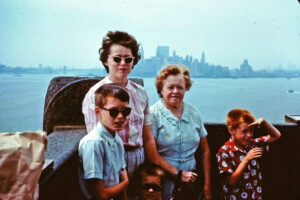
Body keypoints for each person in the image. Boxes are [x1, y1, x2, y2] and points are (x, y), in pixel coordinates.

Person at [82, 31, 177, 196]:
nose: (123, 63)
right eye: (117, 59)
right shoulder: (94, 95)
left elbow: (147, 137)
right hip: (111, 162)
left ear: (134, 61)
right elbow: (97, 139)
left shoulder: (140, 93)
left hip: (138, 160)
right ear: (106, 60)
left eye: (128, 59)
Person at [150, 65, 212, 200]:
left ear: (186, 88)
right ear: (161, 88)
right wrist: (178, 174)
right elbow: (152, 154)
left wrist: (207, 185)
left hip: (191, 181)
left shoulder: (194, 113)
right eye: (170, 87)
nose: (175, 91)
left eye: (180, 87)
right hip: (163, 181)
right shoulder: (153, 114)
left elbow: (205, 150)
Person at [78, 83, 130, 200]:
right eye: (114, 111)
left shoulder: (117, 139)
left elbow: (120, 176)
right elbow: (100, 195)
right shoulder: (94, 143)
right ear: (98, 112)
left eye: (125, 111)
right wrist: (126, 182)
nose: (121, 116)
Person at [216, 108, 281, 200]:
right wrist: (246, 159)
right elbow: (231, 181)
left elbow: (276, 135)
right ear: (231, 130)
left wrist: (264, 122)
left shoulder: (252, 144)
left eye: (251, 130)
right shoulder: (224, 152)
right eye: (244, 131)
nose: (250, 135)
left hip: (255, 195)